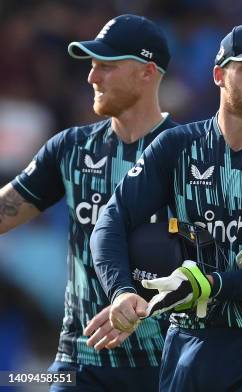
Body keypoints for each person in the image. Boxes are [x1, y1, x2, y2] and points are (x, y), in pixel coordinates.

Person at [90, 22, 242, 392]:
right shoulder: (176, 146)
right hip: (187, 345)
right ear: (218, 74)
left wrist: (210, 286)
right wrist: (121, 291)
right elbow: (111, 221)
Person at [0, 14, 178, 391]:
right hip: (80, 359)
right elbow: (5, 210)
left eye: (106, 67)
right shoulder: (71, 148)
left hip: (164, 361)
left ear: (147, 73)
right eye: (92, 66)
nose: (91, 77)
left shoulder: (190, 153)